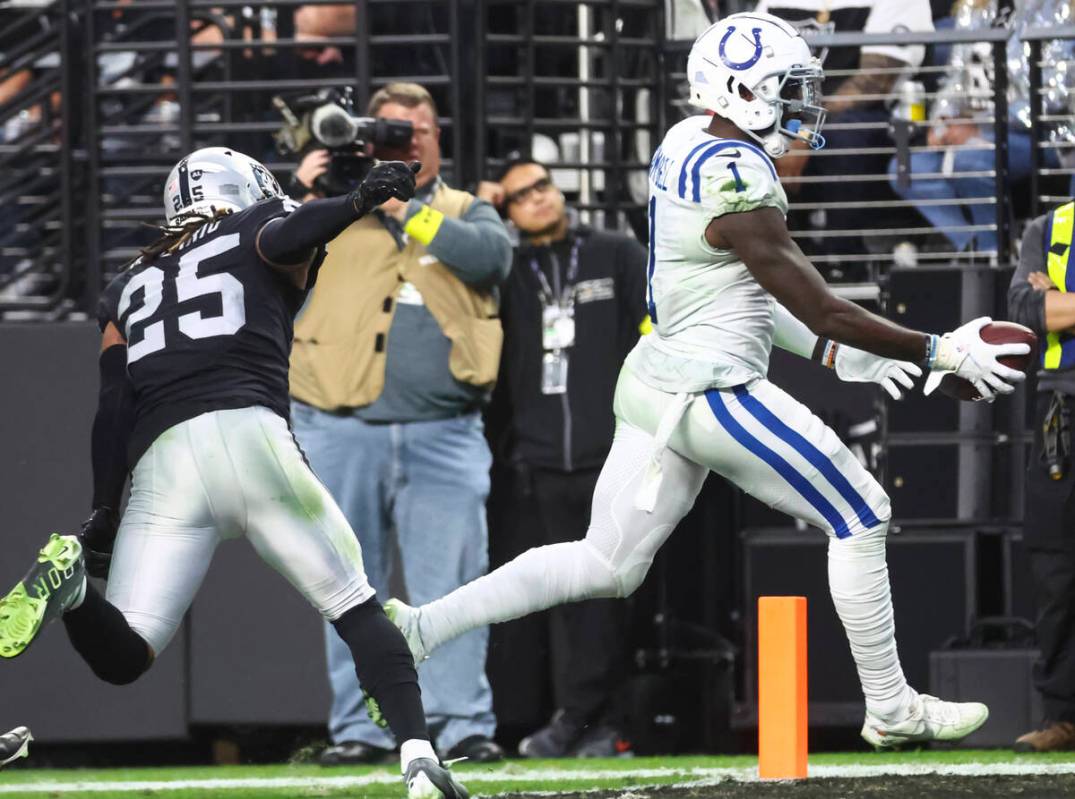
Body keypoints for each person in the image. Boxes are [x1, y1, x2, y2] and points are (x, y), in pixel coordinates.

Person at [386, 13, 1030, 749]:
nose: (801, 103)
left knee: (605, 561)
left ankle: (421, 626)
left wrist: (871, 356)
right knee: (861, 511)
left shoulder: (687, 140)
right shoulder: (738, 173)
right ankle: (891, 706)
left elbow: (748, 297)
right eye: (788, 89)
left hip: (661, 377)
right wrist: (936, 349)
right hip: (711, 389)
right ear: (742, 91)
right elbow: (809, 301)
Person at [0, 147, 468, 799]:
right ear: (246, 188)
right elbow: (286, 234)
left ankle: (74, 592)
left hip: (162, 464)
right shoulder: (262, 221)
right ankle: (420, 762)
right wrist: (357, 201)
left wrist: (102, 513)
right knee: (359, 606)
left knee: (125, 653)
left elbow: (113, 407)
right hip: (248, 435)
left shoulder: (130, 281)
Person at [289, 82, 512, 766]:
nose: (402, 138)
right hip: (337, 421)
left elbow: (489, 259)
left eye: (414, 128)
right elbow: (266, 253)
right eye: (388, 129)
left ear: (436, 137)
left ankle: (461, 723)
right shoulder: (326, 210)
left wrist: (404, 208)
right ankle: (358, 729)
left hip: (442, 429)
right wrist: (303, 189)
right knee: (344, 585)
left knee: (452, 586)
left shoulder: (463, 207)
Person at [476, 159, 648, 757]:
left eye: (543, 186)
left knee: (609, 594)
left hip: (616, 454)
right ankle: (581, 722)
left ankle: (596, 723)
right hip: (542, 462)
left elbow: (652, 338)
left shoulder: (614, 254)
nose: (539, 200)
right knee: (562, 600)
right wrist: (482, 209)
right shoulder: (507, 270)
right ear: (507, 212)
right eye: (521, 197)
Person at [889, 0, 1075, 255]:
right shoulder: (974, 8)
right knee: (907, 169)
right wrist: (942, 121)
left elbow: (1054, 96)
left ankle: (995, 252)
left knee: (969, 161)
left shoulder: (1061, 8)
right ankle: (976, 246)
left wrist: (983, 125)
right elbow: (955, 77)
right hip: (976, 131)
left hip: (1046, 136)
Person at [755, 0, 933, 264]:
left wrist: (804, 129)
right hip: (783, 115)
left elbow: (874, 82)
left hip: (865, 122)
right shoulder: (772, 3)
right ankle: (769, 260)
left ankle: (843, 259)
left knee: (848, 135)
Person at [1007, 199, 1075, 752]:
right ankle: (1064, 717)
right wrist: (1044, 304)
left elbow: (1049, 306)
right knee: (1058, 570)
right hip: (1063, 417)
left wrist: (1062, 301)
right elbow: (1025, 312)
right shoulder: (1050, 227)